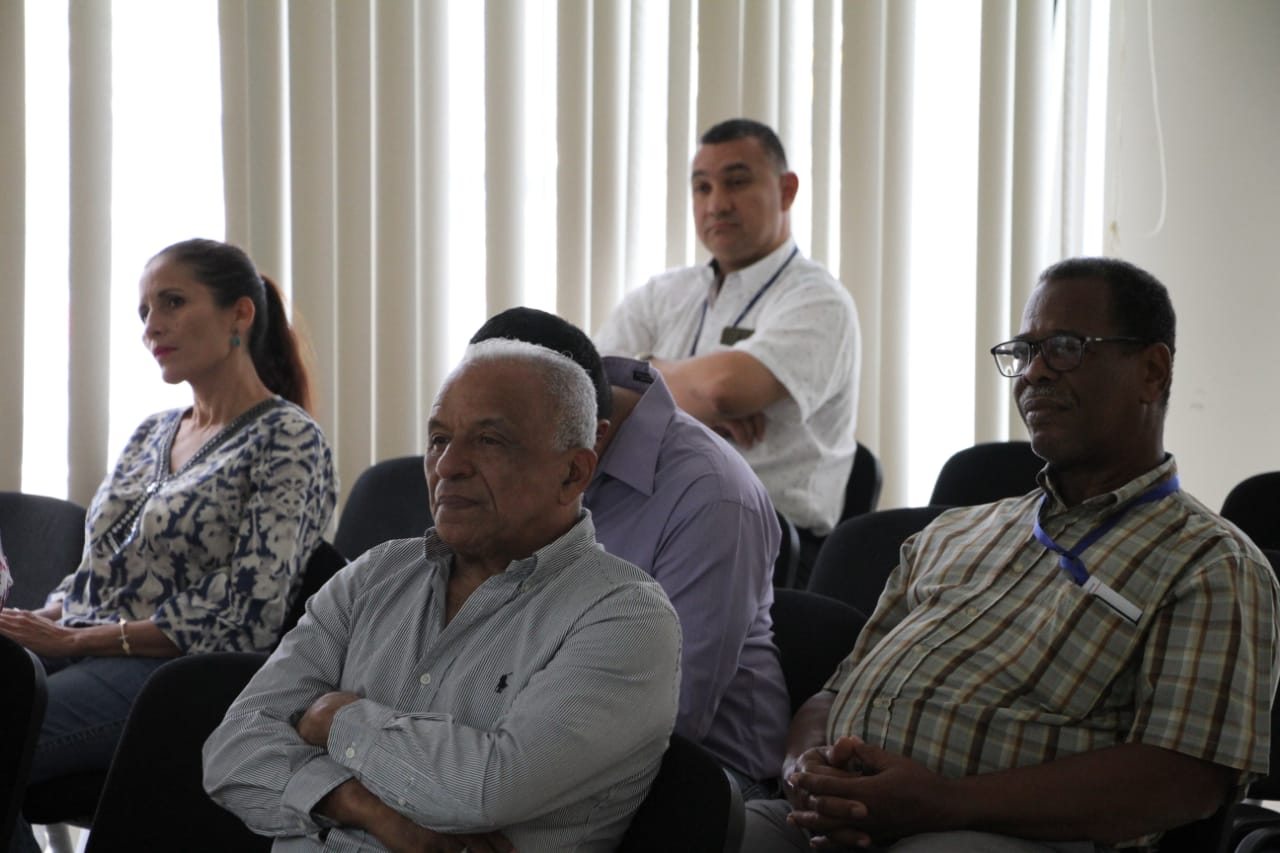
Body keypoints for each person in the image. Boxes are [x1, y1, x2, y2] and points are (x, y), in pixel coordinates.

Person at [743, 257, 1280, 852]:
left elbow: (1183, 779)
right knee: (704, 826)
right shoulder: (951, 534)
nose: (1035, 372)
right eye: (1024, 352)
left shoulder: (1210, 563)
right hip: (830, 822)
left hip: (996, 835)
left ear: (1152, 372)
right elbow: (832, 693)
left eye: (1066, 348)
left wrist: (942, 804)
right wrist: (805, 772)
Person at [203, 339, 681, 853]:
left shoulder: (625, 616)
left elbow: (486, 789)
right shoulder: (375, 575)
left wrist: (334, 719)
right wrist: (360, 806)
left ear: (573, 472)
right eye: (438, 439)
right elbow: (232, 750)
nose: (448, 465)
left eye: (489, 441)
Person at [0, 238, 337, 853]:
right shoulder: (151, 431)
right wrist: (44, 618)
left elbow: (248, 614)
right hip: (88, 649)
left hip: (174, 678)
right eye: (144, 311)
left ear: (240, 314)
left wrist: (78, 640)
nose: (151, 326)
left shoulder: (289, 439)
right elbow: (100, 568)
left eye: (173, 303)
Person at [471, 307, 790, 796]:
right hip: (521, 748)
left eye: (495, 441)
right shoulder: (518, 460)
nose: (467, 462)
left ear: (587, 440)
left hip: (695, 787)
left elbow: (671, 714)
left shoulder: (712, 496)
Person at [595, 117, 860, 577]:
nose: (716, 203)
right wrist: (676, 392)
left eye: (736, 182)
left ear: (787, 191)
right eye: (702, 188)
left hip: (765, 538)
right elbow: (590, 390)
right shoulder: (664, 293)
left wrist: (639, 388)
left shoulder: (818, 300)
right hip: (650, 517)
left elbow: (722, 390)